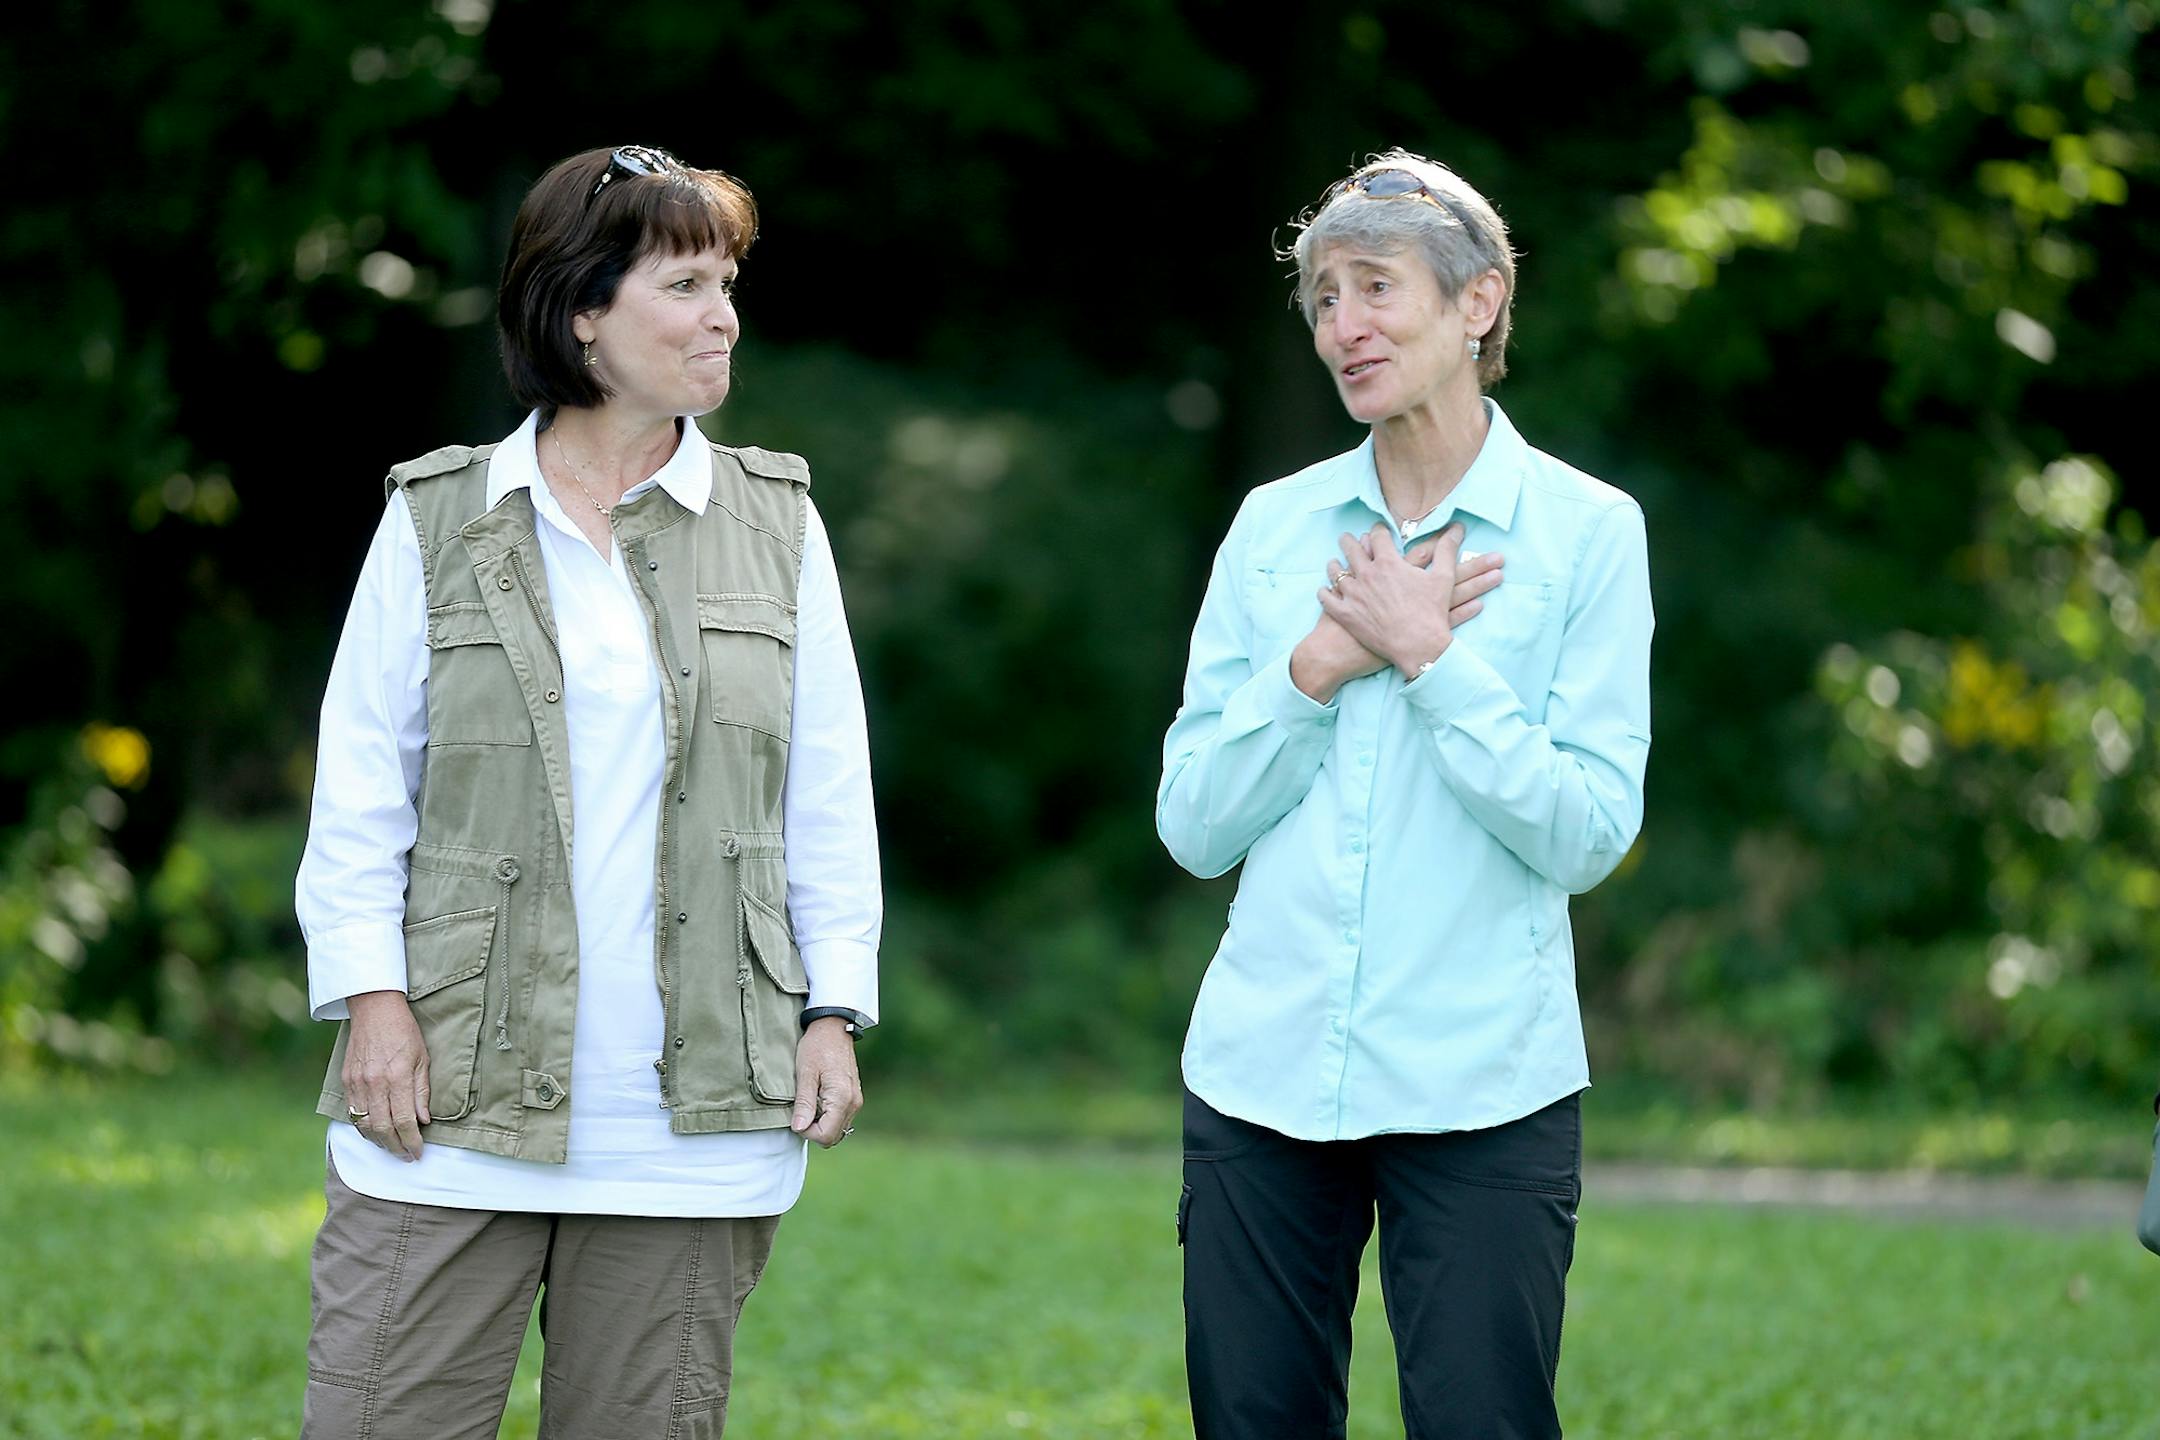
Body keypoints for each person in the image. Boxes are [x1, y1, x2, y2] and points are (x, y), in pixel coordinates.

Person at [294, 145, 880, 1439]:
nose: (722, 312)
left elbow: (826, 792)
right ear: (581, 313)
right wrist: (374, 1003)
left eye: (727, 279)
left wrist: (834, 1007)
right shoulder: (440, 517)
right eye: (682, 282)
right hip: (448, 1098)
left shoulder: (779, 524)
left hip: (693, 1119)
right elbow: (360, 792)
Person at [1156, 149, 1653, 1439]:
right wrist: (1326, 659)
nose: (1343, 327)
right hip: (1261, 1078)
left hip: (1486, 1082)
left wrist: (1431, 659)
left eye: (1375, 288)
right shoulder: (1274, 528)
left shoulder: (1589, 532)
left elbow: (1589, 832)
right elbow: (1195, 824)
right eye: (1323, 299)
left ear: (1479, 303)